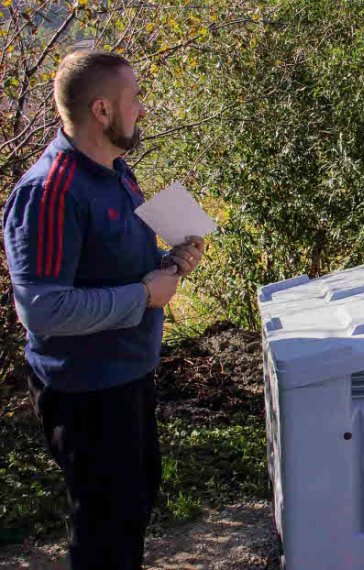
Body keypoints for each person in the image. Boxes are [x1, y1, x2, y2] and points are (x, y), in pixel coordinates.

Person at [3, 50, 205, 569]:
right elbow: (43, 310)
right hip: (85, 394)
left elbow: (118, 269)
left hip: (128, 379)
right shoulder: (50, 192)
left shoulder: (115, 171)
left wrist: (171, 263)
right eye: (134, 98)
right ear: (100, 111)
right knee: (103, 534)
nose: (142, 109)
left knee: (130, 514)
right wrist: (143, 295)